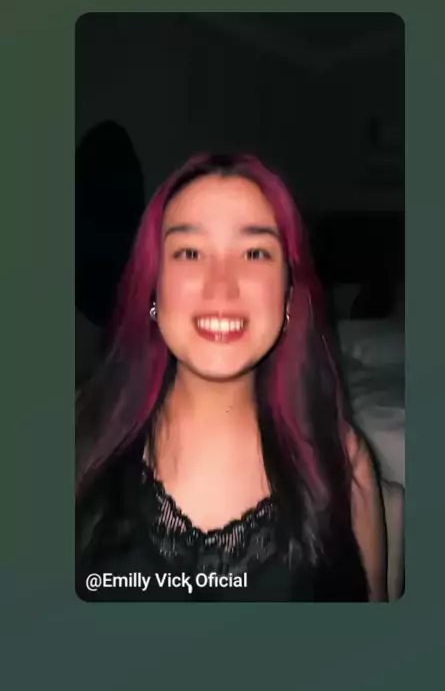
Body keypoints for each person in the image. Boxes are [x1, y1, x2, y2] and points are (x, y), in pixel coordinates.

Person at [76, 152, 387, 602]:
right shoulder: (78, 440)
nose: (221, 287)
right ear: (153, 288)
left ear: (288, 293)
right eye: (190, 253)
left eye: (255, 253)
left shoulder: (342, 459)